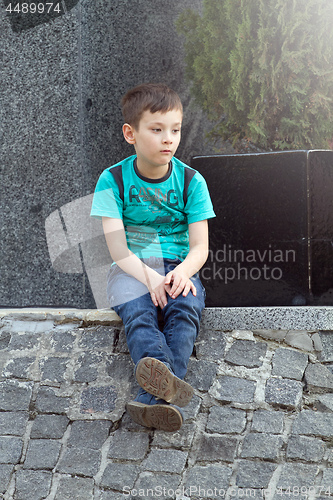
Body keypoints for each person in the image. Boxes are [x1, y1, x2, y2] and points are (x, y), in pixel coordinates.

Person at [90, 83, 215, 432]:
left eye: (174, 130)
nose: (168, 139)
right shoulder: (112, 180)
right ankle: (166, 387)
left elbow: (199, 248)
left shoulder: (192, 181)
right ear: (130, 133)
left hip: (178, 267)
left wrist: (182, 274)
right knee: (139, 313)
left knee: (186, 307)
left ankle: (154, 398)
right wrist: (150, 278)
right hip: (130, 270)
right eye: (157, 129)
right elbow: (117, 250)